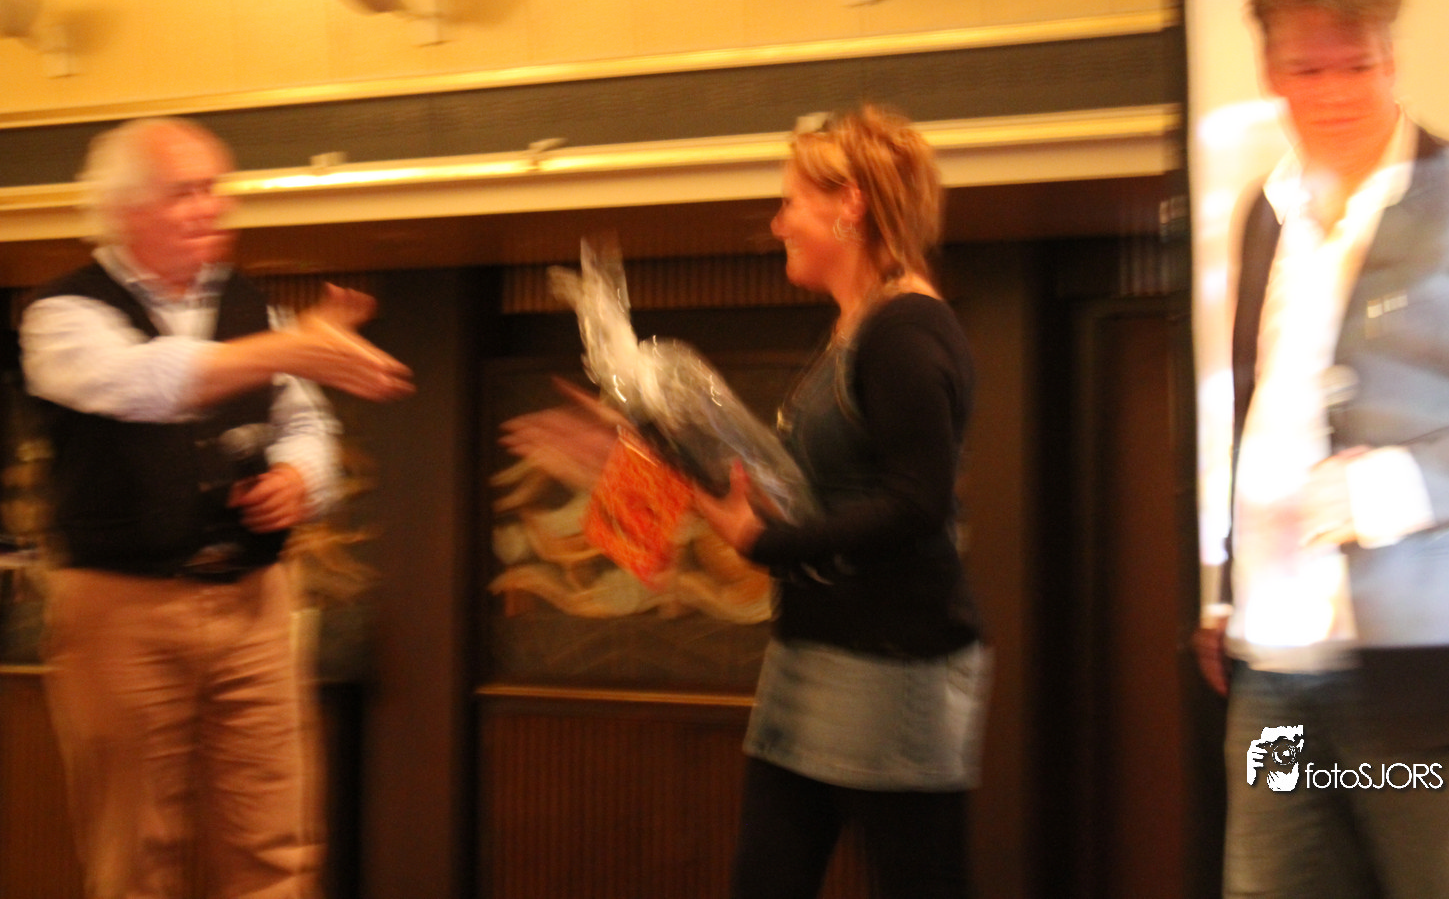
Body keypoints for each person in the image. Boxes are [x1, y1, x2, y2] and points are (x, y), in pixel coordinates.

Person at [506, 105, 987, 899]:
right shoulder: (858, 328)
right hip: (814, 655)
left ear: (850, 204)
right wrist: (634, 453)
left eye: (790, 201)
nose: (777, 222)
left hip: (894, 666)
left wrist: (766, 544)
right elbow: (787, 492)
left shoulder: (905, 330)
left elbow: (916, 504)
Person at [1193, 0, 1449, 899]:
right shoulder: (1264, 212)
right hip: (1276, 656)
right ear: (1270, 71)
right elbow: (1259, 404)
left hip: (1430, 666)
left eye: (1356, 63)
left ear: (1390, 55)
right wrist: (1223, 591)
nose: (1335, 91)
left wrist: (1390, 488)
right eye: (1307, 68)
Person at [21, 116, 414, 899]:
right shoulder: (60, 311)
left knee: (276, 843)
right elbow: (146, 383)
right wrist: (292, 347)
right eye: (186, 192)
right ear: (126, 209)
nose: (212, 207)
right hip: (120, 610)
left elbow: (305, 423)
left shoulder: (247, 304)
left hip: (256, 602)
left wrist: (301, 477)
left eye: (214, 188)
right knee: (136, 852)